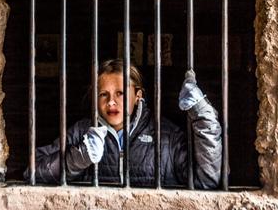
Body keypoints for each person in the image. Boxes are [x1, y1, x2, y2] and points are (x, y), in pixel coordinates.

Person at [29, 59, 222, 188]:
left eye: (120, 93)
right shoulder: (82, 131)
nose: (111, 102)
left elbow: (206, 180)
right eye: (103, 94)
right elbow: (32, 171)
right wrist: (77, 159)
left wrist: (203, 115)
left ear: (138, 95)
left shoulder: (165, 135)